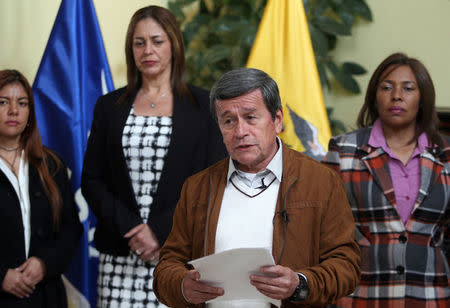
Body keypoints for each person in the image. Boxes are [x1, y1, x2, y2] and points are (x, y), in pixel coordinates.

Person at [153, 68, 361, 308]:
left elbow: (347, 265)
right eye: (229, 121)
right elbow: (167, 266)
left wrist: (300, 284)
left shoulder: (321, 182)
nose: (240, 132)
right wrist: (182, 286)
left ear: (278, 120)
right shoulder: (197, 187)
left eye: (251, 117)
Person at [81, 5, 227, 307]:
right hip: (120, 254)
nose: (148, 50)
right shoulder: (109, 106)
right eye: (139, 42)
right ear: (131, 48)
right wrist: (133, 229)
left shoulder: (204, 106)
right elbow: (92, 180)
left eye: (157, 41)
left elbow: (213, 182)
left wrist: (158, 232)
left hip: (180, 258)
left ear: (174, 44)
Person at [322, 53, 450, 307]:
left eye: (408, 88)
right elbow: (325, 229)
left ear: (423, 98)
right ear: (374, 96)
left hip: (430, 294)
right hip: (360, 292)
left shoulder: (445, 155)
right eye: (387, 87)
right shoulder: (344, 150)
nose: (397, 96)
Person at [0, 69, 82, 307]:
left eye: (22, 103)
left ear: (30, 112)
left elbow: (71, 228)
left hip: (45, 296)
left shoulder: (51, 164)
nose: (13, 110)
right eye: (3, 102)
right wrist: (1, 276)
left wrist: (44, 263)